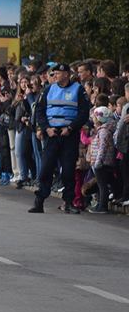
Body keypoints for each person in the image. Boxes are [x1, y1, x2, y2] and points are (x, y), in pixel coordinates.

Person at [30, 63, 90, 213]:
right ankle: (39, 201)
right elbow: (40, 111)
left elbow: (84, 113)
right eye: (53, 73)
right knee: (46, 168)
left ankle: (68, 202)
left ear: (66, 74)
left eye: (57, 73)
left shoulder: (78, 89)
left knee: (68, 170)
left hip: (69, 134)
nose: (54, 76)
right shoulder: (49, 89)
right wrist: (46, 128)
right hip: (52, 134)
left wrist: (70, 128)